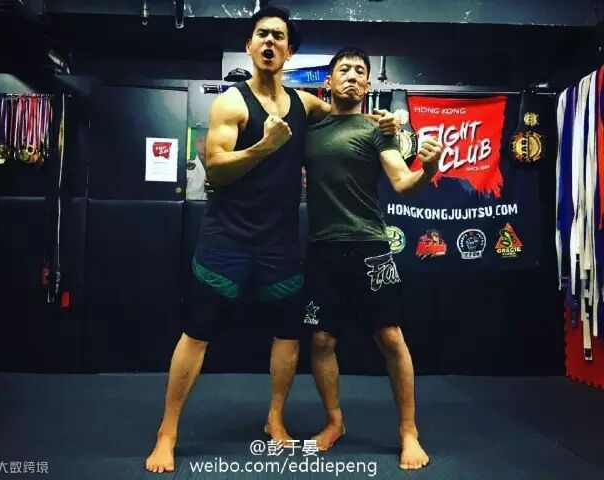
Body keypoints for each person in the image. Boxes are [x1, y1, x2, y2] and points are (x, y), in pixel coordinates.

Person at [145, 7, 400, 474]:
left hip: (280, 243)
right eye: (261, 34)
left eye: (278, 37)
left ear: (289, 51)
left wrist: (388, 124)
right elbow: (215, 168)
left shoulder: (306, 104)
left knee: (288, 333)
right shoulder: (232, 103)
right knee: (198, 331)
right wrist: (265, 145)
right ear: (249, 45)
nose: (269, 42)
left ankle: (275, 418)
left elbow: (346, 112)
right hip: (227, 237)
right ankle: (167, 432)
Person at [303, 47, 442, 470]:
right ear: (328, 80)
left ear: (367, 85)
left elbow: (402, 182)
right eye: (343, 69)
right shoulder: (311, 127)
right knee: (321, 340)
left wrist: (429, 169)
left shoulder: (377, 129)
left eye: (360, 71)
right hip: (324, 247)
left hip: (369, 246)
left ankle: (408, 432)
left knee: (391, 338)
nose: (351, 75)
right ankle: (334, 422)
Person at [186, 131, 208, 200]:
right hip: (191, 205)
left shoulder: (219, 165)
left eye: (207, 140)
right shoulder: (186, 165)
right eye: (200, 140)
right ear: (195, 143)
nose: (204, 144)